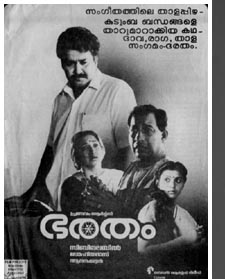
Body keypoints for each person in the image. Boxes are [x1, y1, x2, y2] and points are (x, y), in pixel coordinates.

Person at [18, 26, 136, 213]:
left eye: (83, 62)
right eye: (70, 63)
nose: (77, 70)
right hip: (54, 205)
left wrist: (117, 200)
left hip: (96, 205)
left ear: (95, 59)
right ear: (62, 64)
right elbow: (51, 148)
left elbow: (129, 151)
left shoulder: (117, 91)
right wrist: (36, 188)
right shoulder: (60, 99)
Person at [116, 104, 171, 217]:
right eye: (134, 130)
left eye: (147, 130)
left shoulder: (170, 173)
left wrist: (114, 208)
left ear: (163, 136)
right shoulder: (132, 170)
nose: (138, 138)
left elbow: (152, 220)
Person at [137, 161, 204, 255]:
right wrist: (185, 240)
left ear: (183, 184)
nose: (172, 186)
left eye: (178, 180)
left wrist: (198, 239)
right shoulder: (150, 211)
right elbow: (142, 250)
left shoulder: (184, 213)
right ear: (158, 183)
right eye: (167, 180)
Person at [59, 130, 123, 213]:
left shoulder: (118, 176)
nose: (92, 151)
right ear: (77, 154)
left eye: (95, 145)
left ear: (102, 149)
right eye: (85, 148)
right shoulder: (71, 183)